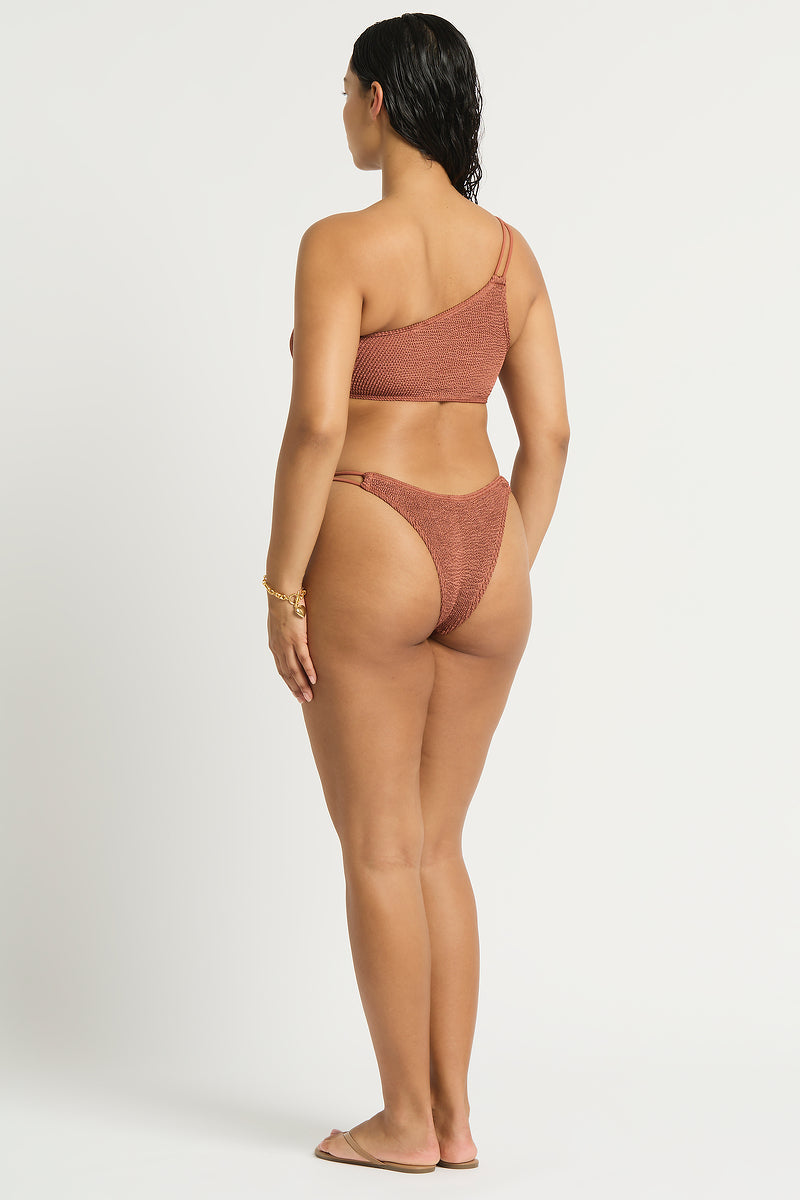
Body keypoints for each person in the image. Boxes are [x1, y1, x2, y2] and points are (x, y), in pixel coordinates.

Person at [264, 13, 569, 1175]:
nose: (341, 112)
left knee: (381, 848)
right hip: (488, 545)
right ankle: (451, 1119)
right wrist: (508, 556)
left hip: (374, 539)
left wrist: (281, 584)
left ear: (379, 100)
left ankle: (401, 1124)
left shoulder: (339, 244)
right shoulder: (509, 254)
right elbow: (550, 434)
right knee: (438, 844)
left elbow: (315, 424)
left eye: (344, 92)